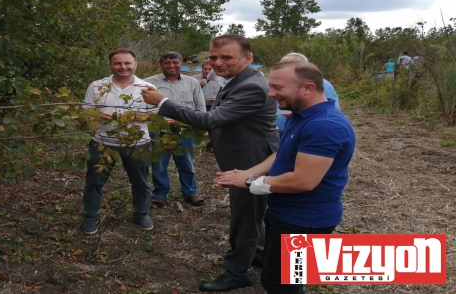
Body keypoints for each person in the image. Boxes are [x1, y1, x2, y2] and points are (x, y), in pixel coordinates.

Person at [142, 34, 279, 292]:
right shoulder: (238, 79)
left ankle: (238, 272)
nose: (218, 63)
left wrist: (162, 102)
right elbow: (221, 119)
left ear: (247, 58)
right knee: (253, 214)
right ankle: (258, 254)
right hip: (248, 155)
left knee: (245, 217)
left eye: (226, 57)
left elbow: (211, 119)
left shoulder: (250, 85)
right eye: (213, 57)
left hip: (251, 161)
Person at [214, 59, 356, 294]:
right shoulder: (301, 116)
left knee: (283, 285)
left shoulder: (325, 126)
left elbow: (303, 181)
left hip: (305, 221)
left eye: (278, 88)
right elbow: (283, 155)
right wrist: (250, 172)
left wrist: (250, 183)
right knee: (278, 278)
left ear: (307, 88)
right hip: (285, 214)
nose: (270, 94)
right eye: (271, 86)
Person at [81, 49, 156, 235]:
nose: (123, 67)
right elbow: (83, 114)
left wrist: (138, 116)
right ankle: (91, 216)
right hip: (102, 142)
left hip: (137, 144)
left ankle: (141, 213)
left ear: (135, 64)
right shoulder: (97, 86)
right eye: (118, 63)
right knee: (94, 182)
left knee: (141, 182)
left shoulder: (147, 88)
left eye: (127, 63)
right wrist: (96, 113)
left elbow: (158, 116)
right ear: (111, 65)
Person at [145, 52, 206, 208]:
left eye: (175, 62)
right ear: (161, 64)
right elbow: (142, 108)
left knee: (186, 163)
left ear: (181, 63)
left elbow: (200, 108)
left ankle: (190, 192)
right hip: (159, 130)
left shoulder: (192, 82)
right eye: (167, 63)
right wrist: (161, 120)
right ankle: (160, 193)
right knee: (159, 164)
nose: (171, 66)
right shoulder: (149, 83)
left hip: (185, 131)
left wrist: (188, 122)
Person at [275, 53, 340, 135]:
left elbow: (330, 112)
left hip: (303, 134)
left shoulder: (322, 84)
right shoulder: (277, 84)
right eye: (282, 66)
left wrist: (300, 114)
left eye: (290, 66)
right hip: (277, 135)